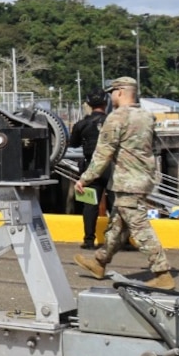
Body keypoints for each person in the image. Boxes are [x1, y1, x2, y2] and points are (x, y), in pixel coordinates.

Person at [74, 76, 175, 289]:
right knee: (118, 226)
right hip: (144, 178)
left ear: (119, 92)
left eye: (112, 92)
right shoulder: (147, 116)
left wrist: (85, 178)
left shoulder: (116, 118)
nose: (111, 97)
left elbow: (103, 154)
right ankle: (99, 262)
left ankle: (162, 271)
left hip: (127, 181)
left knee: (138, 225)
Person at [69, 90, 109, 249]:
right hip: (111, 167)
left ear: (88, 104)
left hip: (90, 167)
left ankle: (89, 240)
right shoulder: (112, 121)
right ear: (106, 103)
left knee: (90, 205)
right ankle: (120, 241)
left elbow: (73, 144)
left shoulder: (81, 124)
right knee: (117, 205)